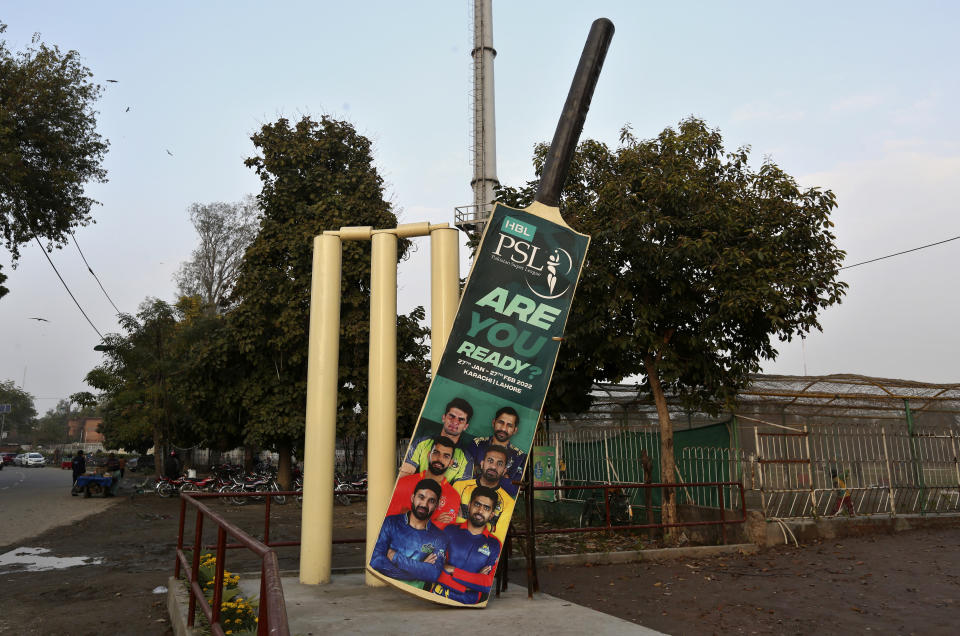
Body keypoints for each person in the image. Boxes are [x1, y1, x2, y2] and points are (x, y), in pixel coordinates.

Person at [370, 479, 449, 588]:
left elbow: (433, 573)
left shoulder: (439, 537)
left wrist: (395, 557)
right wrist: (419, 571)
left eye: (431, 501)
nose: (424, 505)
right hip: (386, 592)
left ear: (436, 505)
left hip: (416, 599)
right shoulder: (391, 522)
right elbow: (376, 560)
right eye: (421, 497)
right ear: (412, 498)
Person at [430, 486, 502, 605]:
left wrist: (452, 570)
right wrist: (469, 585)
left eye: (486, 508)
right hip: (438, 598)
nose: (480, 511)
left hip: (470, 606)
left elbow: (486, 583)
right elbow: (433, 570)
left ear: (491, 514)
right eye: (477, 504)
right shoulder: (449, 531)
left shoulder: (494, 544)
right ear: (469, 505)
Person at [386, 436, 461, 529]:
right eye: (436, 453)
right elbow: (389, 522)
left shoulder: (453, 496)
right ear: (429, 454)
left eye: (446, 456)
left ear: (450, 462)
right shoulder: (403, 484)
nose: (439, 459)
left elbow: (442, 533)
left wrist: (409, 515)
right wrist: (433, 521)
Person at [400, 398, 475, 483]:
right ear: (443, 418)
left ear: (465, 426)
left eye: (461, 420)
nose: (455, 422)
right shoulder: (421, 443)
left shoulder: (466, 459)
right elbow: (404, 477)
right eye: (452, 416)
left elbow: (459, 493)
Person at [453, 446, 515, 543]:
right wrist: (488, 527)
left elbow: (498, 539)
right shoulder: (459, 487)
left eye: (499, 464)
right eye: (490, 461)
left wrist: (461, 519)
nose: (494, 467)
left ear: (504, 471)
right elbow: (448, 521)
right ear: (482, 464)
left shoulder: (508, 503)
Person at [470, 406, 526, 495]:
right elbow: (467, 475)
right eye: (501, 422)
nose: (503, 429)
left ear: (515, 430)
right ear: (493, 423)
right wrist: (503, 476)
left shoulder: (519, 456)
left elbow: (513, 490)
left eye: (509, 425)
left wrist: (479, 470)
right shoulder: (477, 444)